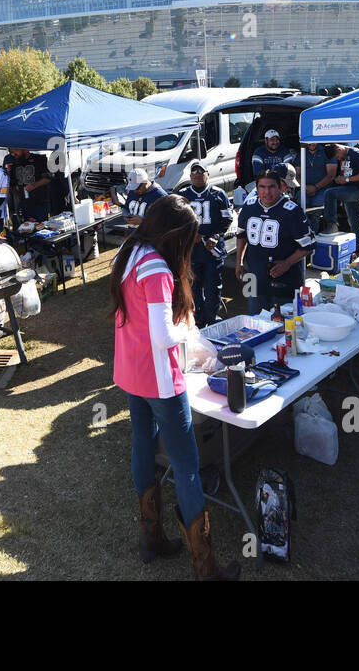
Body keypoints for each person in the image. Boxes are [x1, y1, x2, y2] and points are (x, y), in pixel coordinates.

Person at [111, 194, 239, 580]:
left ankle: (151, 537)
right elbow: (163, 334)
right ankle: (205, 565)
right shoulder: (157, 269)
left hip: (131, 372)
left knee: (143, 445)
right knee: (186, 466)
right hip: (160, 379)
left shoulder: (127, 253)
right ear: (176, 236)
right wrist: (190, 331)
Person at [235, 170, 316, 315]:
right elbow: (241, 235)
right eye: (262, 187)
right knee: (254, 319)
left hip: (283, 278)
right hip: (254, 275)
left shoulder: (292, 211)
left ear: (280, 187)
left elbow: (308, 245)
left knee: (282, 323)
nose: (267, 192)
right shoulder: (249, 206)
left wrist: (287, 263)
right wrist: (239, 262)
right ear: (257, 187)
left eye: (271, 186)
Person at [178, 161, 233, 327]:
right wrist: (189, 235)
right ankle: (198, 318)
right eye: (194, 172)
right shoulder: (183, 195)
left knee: (213, 285)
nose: (197, 175)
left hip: (212, 249)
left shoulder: (218, 193)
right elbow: (177, 220)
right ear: (190, 176)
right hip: (191, 250)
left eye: (201, 172)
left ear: (208, 174)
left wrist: (215, 236)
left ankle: (212, 317)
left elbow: (227, 219)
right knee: (194, 286)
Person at [317, 143, 359, 249]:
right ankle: (358, 249)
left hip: (358, 190)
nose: (338, 159)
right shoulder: (342, 154)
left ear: (339, 149)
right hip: (349, 189)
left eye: (338, 157)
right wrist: (340, 179)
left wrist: (347, 179)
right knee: (354, 221)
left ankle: (332, 225)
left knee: (329, 193)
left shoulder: (356, 154)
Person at [6, 148, 53, 222]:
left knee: (42, 227)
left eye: (16, 151)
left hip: (40, 202)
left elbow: (48, 178)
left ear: (24, 149)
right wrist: (18, 197)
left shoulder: (39, 159)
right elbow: (12, 184)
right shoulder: (15, 164)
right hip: (25, 204)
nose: (14, 153)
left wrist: (34, 185)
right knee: (27, 229)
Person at [302, 142, 335, 210]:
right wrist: (305, 187)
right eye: (309, 141)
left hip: (323, 189)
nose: (311, 143)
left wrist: (316, 187)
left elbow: (331, 175)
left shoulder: (326, 152)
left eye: (313, 140)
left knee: (316, 209)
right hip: (304, 189)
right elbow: (297, 174)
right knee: (301, 207)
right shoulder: (302, 152)